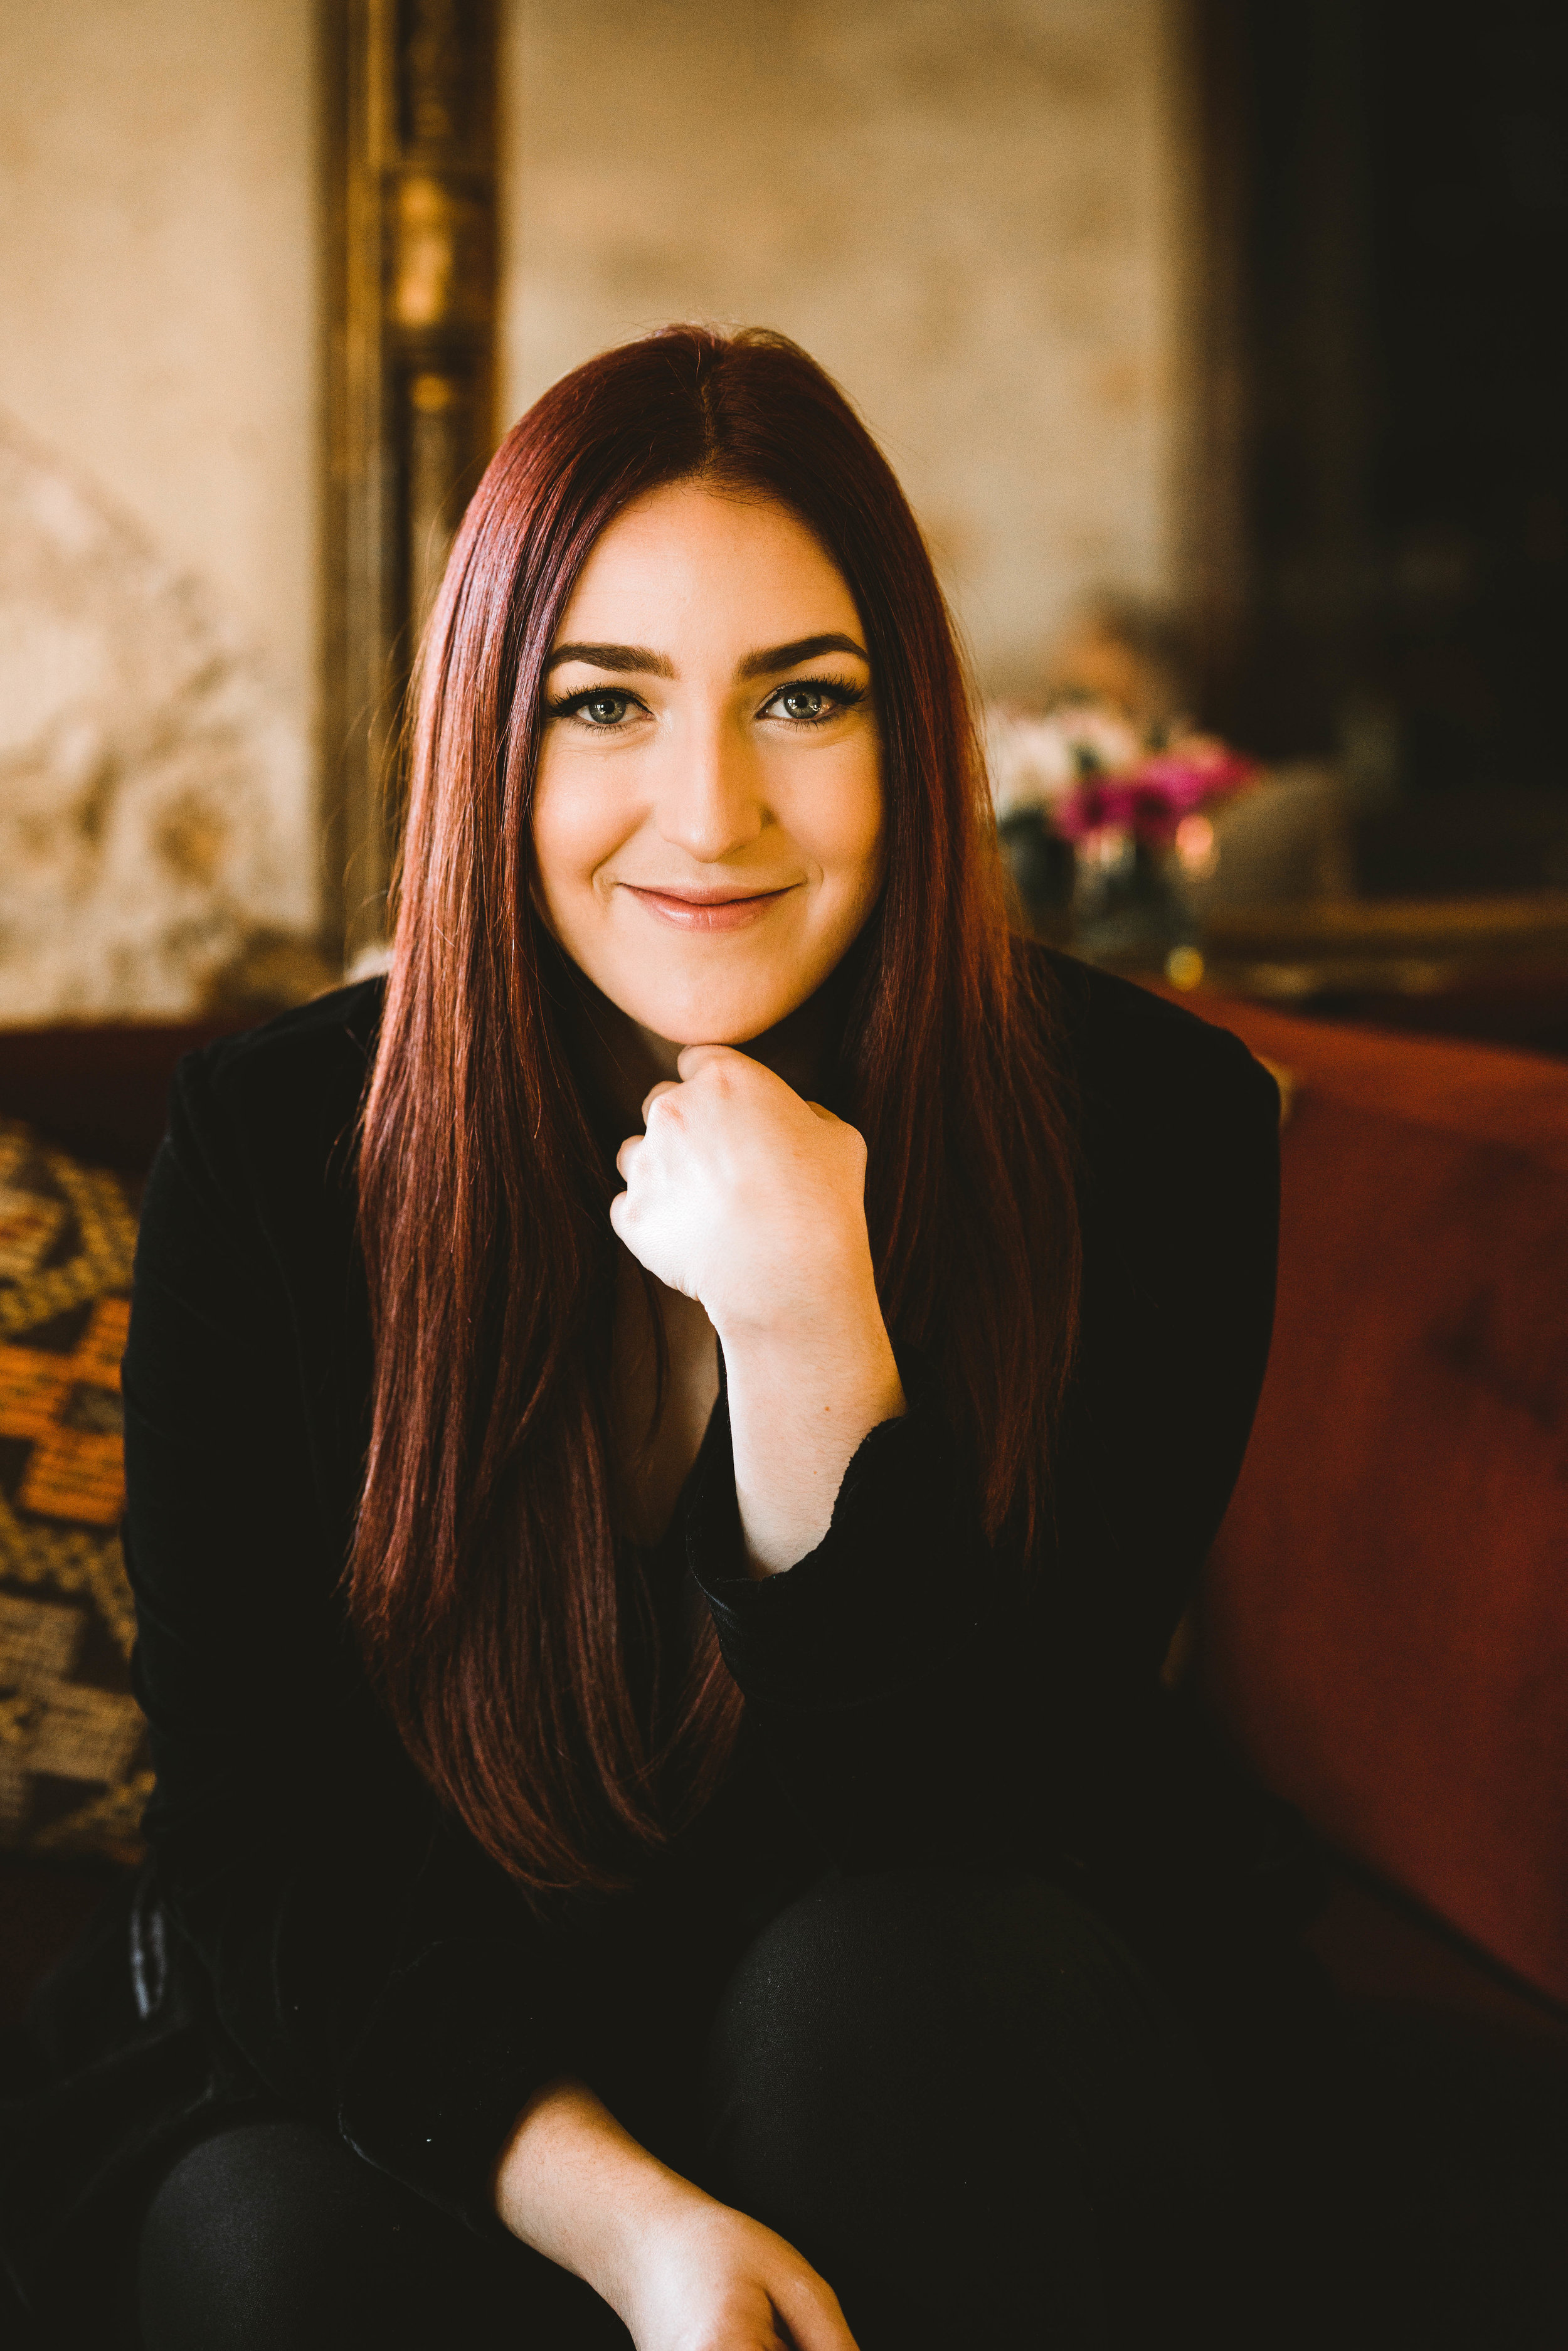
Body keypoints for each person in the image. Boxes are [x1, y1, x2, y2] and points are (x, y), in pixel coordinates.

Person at [2, 327, 1303, 2350]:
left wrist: (808, 1334)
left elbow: (979, 1827)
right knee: (275, 2251)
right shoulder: (271, 1149)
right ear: (490, 740)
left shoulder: (1148, 1130)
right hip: (433, 2058)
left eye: (804, 696)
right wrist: (633, 2230)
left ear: (911, 730)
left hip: (926, 2045)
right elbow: (266, 1852)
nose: (710, 812)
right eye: (603, 701)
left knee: (880, 1992)